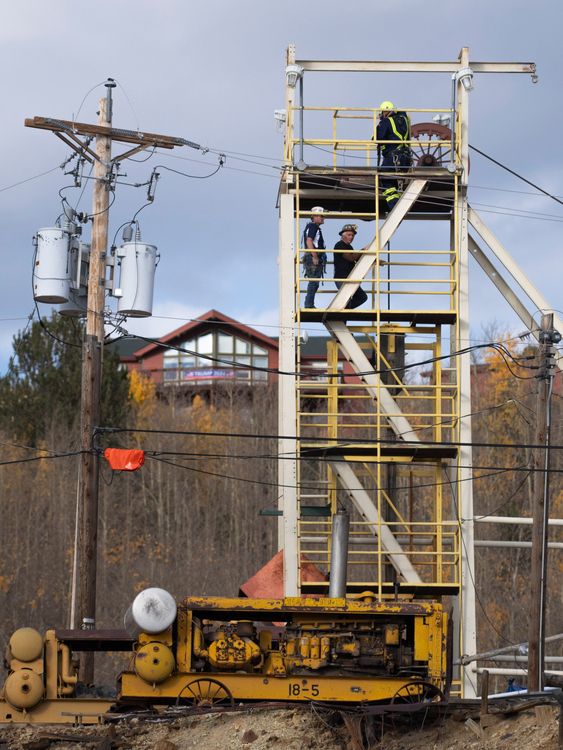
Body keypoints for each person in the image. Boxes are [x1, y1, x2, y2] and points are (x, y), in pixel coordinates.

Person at [376, 101, 412, 211]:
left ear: (386, 111)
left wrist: (378, 127)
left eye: (382, 112)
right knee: (393, 182)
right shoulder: (405, 120)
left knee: (384, 179)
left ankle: (395, 206)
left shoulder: (386, 122)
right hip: (406, 158)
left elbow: (378, 138)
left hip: (393, 158)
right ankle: (398, 201)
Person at [333, 224, 367, 309]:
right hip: (342, 278)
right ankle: (343, 312)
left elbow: (355, 258)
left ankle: (344, 311)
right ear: (342, 235)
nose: (351, 237)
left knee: (362, 297)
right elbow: (351, 258)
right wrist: (363, 250)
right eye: (349, 235)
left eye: (352, 235)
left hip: (350, 278)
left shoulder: (349, 247)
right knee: (347, 299)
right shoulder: (339, 245)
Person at [302, 206, 327, 308]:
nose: (323, 218)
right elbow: (309, 241)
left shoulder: (312, 227)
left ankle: (309, 304)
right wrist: (315, 256)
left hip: (312, 256)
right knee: (313, 282)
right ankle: (309, 304)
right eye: (320, 216)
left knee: (314, 282)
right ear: (314, 217)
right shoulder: (313, 227)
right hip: (313, 257)